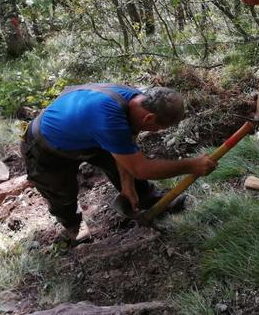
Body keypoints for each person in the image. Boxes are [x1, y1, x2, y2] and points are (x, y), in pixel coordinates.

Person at [20, 83, 218, 243]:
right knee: (61, 193)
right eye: (157, 128)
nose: (155, 132)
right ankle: (72, 223)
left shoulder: (137, 101)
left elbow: (127, 146)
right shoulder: (108, 118)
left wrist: (127, 184)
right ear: (149, 117)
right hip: (45, 147)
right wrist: (191, 165)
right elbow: (141, 168)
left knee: (125, 159)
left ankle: (146, 198)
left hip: (86, 135)